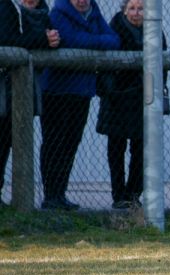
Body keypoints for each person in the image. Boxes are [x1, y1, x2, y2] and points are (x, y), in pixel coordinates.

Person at [39, 0, 119, 210]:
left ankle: (61, 194)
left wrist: (88, 41)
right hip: (57, 90)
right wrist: (95, 41)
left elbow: (114, 40)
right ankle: (51, 195)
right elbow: (70, 39)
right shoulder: (59, 13)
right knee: (54, 142)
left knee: (71, 142)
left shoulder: (93, 11)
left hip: (82, 91)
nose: (82, 0)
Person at [96, 0, 167, 210]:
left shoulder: (155, 32)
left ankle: (133, 194)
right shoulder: (113, 31)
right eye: (132, 8)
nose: (137, 13)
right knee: (116, 150)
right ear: (124, 11)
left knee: (142, 150)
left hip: (143, 100)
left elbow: (163, 67)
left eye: (141, 8)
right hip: (117, 99)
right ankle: (118, 195)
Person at [0, 0, 60, 206]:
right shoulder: (6, 7)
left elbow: (48, 38)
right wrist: (42, 39)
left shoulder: (43, 12)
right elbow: (7, 38)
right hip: (4, 87)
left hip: (21, 92)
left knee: (7, 142)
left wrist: (52, 39)